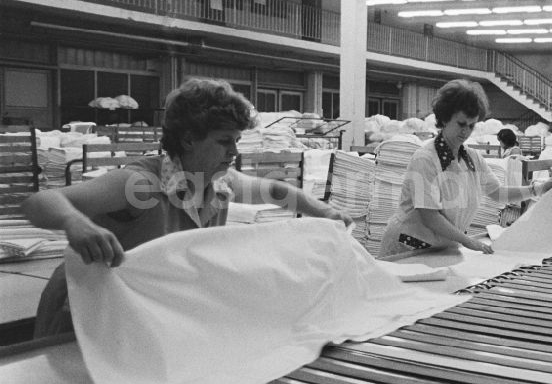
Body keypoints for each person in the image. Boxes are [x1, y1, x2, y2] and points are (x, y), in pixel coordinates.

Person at [22, 78, 352, 337]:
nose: (234, 151)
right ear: (189, 138)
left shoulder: (218, 184)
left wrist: (324, 213)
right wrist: (74, 222)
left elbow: (278, 192)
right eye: (224, 141)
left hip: (143, 309)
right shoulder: (142, 184)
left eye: (236, 140)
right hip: (86, 309)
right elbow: (40, 202)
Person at [378, 79, 552, 258]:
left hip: (440, 248)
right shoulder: (425, 159)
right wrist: (467, 241)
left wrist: (538, 189)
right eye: (461, 124)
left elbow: (498, 192)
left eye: (471, 126)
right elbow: (429, 215)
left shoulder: (472, 158)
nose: (465, 132)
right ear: (445, 119)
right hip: (408, 248)